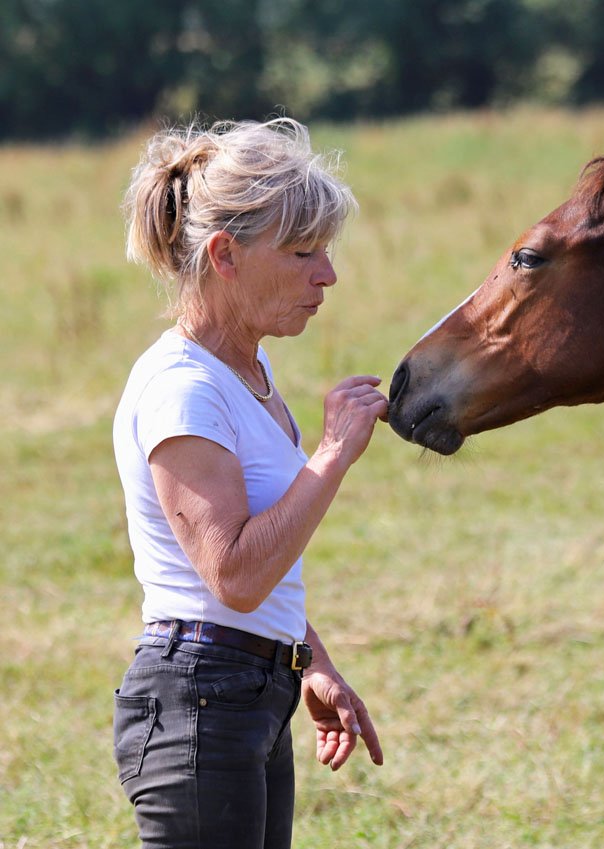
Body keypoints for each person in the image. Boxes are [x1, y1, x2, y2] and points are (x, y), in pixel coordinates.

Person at [112, 117, 388, 849]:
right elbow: (233, 573)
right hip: (198, 701)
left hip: (246, 694)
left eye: (325, 250)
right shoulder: (183, 388)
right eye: (302, 252)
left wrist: (311, 662)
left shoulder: (249, 374)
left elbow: (264, 567)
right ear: (225, 255)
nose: (326, 275)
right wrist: (332, 453)